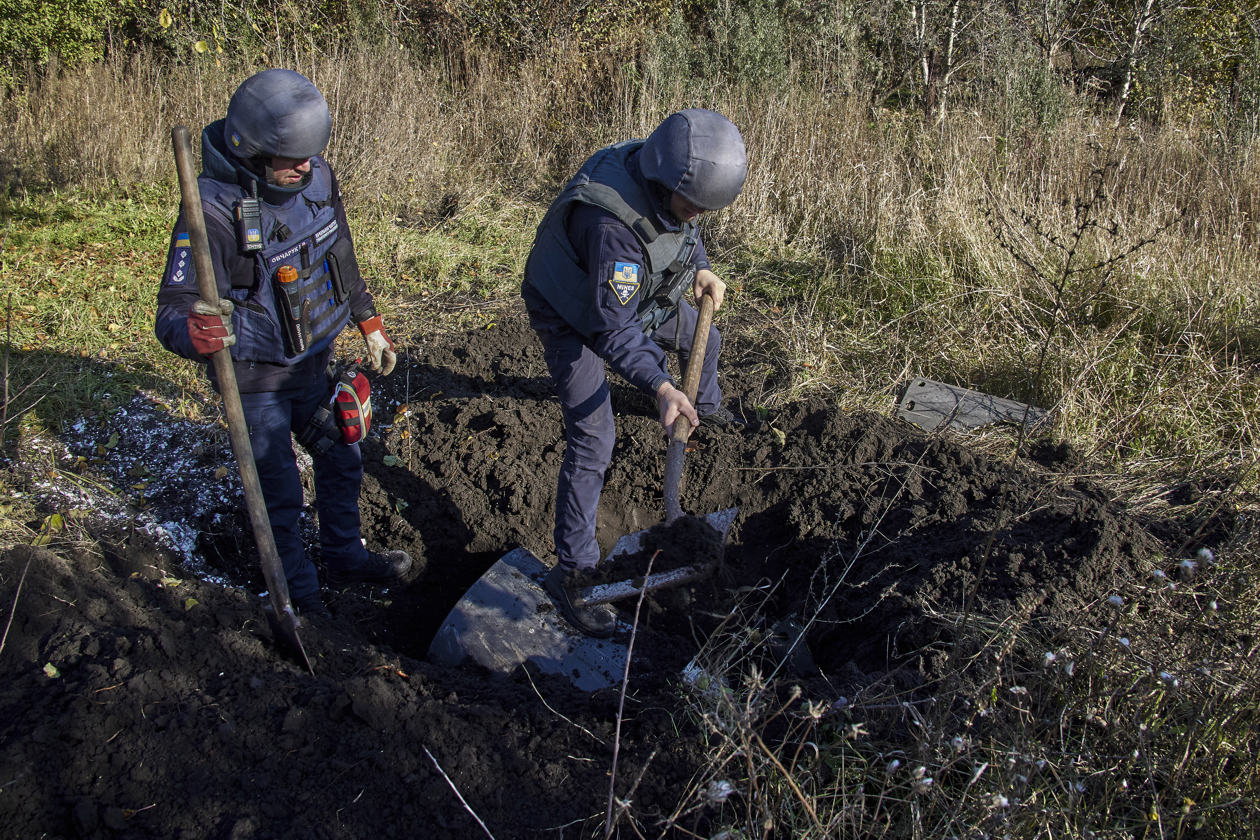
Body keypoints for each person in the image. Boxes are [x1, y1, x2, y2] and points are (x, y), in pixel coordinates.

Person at [154, 69, 411, 617]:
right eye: (292, 157)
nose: (306, 165)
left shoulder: (315, 178)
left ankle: (345, 555)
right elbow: (172, 309)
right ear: (253, 153)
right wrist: (193, 332)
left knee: (343, 453)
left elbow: (338, 249)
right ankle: (303, 600)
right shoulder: (213, 213)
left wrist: (368, 319)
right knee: (281, 496)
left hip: (311, 367)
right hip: (256, 383)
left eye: (312, 153)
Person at [521, 108, 748, 638]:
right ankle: (574, 574)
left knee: (705, 337)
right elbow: (614, 331)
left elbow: (685, 232)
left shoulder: (664, 166)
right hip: (574, 311)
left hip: (634, 296)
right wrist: (663, 387)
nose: (697, 215)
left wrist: (703, 267)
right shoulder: (611, 229)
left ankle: (702, 419)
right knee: (595, 436)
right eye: (693, 206)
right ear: (663, 181)